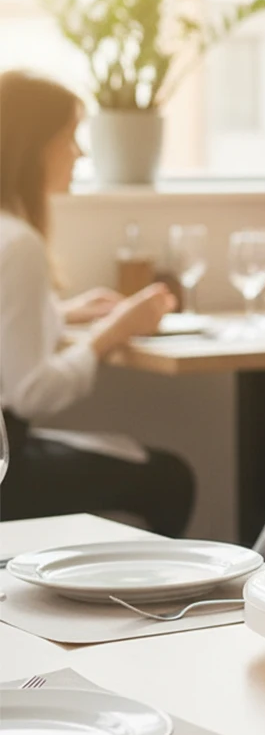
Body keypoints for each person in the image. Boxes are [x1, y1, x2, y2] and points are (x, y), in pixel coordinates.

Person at [0, 70, 195, 536]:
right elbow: (31, 393)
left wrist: (63, 314)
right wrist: (113, 334)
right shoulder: (19, 243)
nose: (80, 153)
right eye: (70, 137)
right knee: (170, 478)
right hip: (10, 466)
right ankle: (157, 602)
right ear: (33, 147)